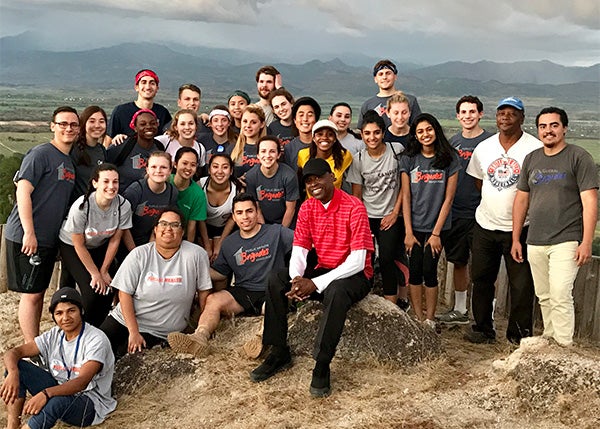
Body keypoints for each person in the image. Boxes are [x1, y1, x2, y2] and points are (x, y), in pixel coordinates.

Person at [250, 158, 374, 398]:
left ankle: (322, 363)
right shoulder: (307, 207)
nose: (313, 183)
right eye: (308, 180)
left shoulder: (354, 206)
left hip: (355, 274)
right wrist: (297, 280)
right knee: (277, 277)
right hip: (324, 267)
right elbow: (300, 248)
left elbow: (358, 261)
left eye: (318, 177)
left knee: (337, 291)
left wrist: (315, 284)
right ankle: (278, 351)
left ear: (332, 177)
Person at [511, 107, 598, 346]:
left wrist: (586, 241)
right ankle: (549, 341)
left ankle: (563, 346)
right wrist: (516, 238)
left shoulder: (578, 157)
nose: (548, 131)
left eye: (553, 125)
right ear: (538, 130)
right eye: (543, 126)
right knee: (544, 296)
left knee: (560, 294)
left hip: (567, 238)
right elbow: (521, 199)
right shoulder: (532, 159)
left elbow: (590, 201)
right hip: (535, 239)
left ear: (564, 128)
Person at [167, 193, 294, 357]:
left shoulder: (276, 232)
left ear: (257, 212)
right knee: (214, 299)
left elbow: (303, 245)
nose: (245, 217)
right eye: (239, 213)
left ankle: (261, 340)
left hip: (272, 289)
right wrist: (192, 272)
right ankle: (199, 337)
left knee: (273, 305)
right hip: (244, 291)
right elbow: (220, 273)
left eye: (249, 211)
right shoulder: (229, 243)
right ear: (234, 216)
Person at [464, 97, 542, 344]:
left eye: (512, 113)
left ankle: (518, 335)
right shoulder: (484, 148)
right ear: (495, 118)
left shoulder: (535, 148)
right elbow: (479, 180)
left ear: (522, 118)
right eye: (501, 113)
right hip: (485, 224)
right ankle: (483, 328)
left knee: (521, 285)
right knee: (482, 279)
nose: (506, 117)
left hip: (521, 227)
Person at [4, 106, 77, 343]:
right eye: (63, 123)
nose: (68, 128)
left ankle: (33, 341)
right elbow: (23, 191)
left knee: (39, 292)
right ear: (53, 126)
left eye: (73, 125)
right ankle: (30, 345)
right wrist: (29, 232)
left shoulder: (68, 160)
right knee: (31, 294)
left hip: (47, 238)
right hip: (27, 235)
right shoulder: (41, 154)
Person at [99, 208, 212, 359]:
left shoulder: (196, 255)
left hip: (159, 330)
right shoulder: (139, 254)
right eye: (163, 224)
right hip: (124, 320)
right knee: (95, 348)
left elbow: (204, 292)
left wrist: (200, 327)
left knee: (123, 358)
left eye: (174, 225)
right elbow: (124, 293)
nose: (168, 229)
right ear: (155, 229)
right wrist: (133, 331)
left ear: (183, 231)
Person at [1, 288, 116, 429]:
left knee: (56, 402)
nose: (65, 318)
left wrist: (46, 394)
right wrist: (13, 373)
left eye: (71, 311)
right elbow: (13, 352)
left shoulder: (96, 339)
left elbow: (82, 382)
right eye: (59, 313)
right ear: (54, 317)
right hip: (58, 387)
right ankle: (12, 425)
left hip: (89, 402)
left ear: (81, 311)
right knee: (17, 367)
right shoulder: (54, 334)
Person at [437, 96, 494, 325]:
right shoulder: (452, 144)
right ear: (458, 116)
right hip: (458, 210)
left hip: (484, 211)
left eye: (472, 111)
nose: (468, 116)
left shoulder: (491, 142)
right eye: (464, 112)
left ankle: (487, 314)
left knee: (485, 265)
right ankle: (460, 309)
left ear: (480, 114)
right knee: (458, 261)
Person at [400, 113, 460, 329]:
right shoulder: (408, 159)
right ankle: (418, 318)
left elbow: (449, 198)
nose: (425, 134)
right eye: (420, 131)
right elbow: (406, 196)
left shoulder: (450, 158)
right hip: (414, 226)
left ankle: (430, 318)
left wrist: (436, 234)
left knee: (429, 270)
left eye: (429, 129)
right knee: (414, 271)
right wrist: (407, 231)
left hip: (437, 226)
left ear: (436, 130)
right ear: (415, 135)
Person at [59, 164, 132, 327]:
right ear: (95, 183)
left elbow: (115, 239)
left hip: (100, 245)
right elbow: (79, 244)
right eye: (105, 181)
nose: (111, 187)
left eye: (115, 182)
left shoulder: (123, 206)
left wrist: (104, 270)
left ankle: (98, 328)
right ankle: (78, 327)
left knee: (107, 289)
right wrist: (95, 274)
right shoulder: (82, 207)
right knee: (91, 291)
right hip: (71, 245)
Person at [347, 111, 407, 305]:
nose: (372, 137)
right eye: (367, 133)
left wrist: (395, 213)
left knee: (389, 258)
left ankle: (391, 304)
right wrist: (360, 221)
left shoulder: (396, 150)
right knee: (364, 259)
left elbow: (403, 186)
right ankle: (365, 300)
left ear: (383, 133)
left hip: (391, 214)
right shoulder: (359, 159)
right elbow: (357, 194)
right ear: (361, 134)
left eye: (376, 132)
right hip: (367, 215)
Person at [122, 151, 178, 250]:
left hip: (154, 242)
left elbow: (161, 223)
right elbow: (123, 227)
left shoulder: (172, 192)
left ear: (170, 171)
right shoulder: (135, 191)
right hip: (129, 242)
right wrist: (134, 252)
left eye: (163, 167)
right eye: (154, 167)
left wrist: (151, 250)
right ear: (147, 169)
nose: (158, 170)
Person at [245, 135, 299, 227]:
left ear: (278, 155)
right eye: (263, 151)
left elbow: (290, 209)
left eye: (272, 151)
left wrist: (280, 232)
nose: (267, 155)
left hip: (287, 224)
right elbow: (256, 208)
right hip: (263, 223)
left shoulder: (289, 175)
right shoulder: (251, 176)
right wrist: (265, 232)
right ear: (258, 155)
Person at [106, 109, 165, 192]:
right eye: (142, 124)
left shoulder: (159, 147)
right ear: (135, 127)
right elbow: (104, 169)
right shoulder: (122, 145)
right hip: (123, 199)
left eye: (153, 123)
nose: (148, 126)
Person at [107, 69, 171, 142]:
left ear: (157, 88)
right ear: (136, 87)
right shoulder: (120, 111)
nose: (148, 87)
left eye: (152, 83)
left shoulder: (163, 112)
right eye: (143, 82)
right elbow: (108, 141)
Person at [198, 154, 241, 262]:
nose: (220, 171)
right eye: (215, 166)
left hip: (223, 228)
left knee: (218, 258)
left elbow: (233, 218)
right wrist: (207, 246)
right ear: (209, 170)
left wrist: (220, 244)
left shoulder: (238, 190)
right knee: (205, 256)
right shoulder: (200, 185)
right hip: (202, 227)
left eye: (225, 167)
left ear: (231, 171)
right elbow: (199, 218)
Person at [357, 59, 421, 129]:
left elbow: (418, 127)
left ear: (395, 76)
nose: (384, 77)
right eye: (380, 74)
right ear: (375, 79)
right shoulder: (367, 105)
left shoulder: (410, 101)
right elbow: (362, 132)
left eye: (388, 73)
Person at [169, 147, 210, 249]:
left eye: (193, 165)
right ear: (175, 164)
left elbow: (192, 227)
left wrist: (187, 250)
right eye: (184, 163)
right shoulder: (165, 181)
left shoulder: (198, 194)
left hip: (181, 237)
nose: (188, 168)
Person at [297, 120, 353, 191]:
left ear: (335, 139)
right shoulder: (303, 154)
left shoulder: (344, 156)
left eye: (330, 134)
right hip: (311, 201)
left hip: (335, 201)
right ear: (313, 138)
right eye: (320, 134)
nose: (324, 137)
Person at [69, 105, 108, 203]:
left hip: (96, 208)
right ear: (83, 123)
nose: (97, 125)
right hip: (76, 209)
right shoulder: (73, 149)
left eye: (101, 121)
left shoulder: (102, 150)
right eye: (92, 121)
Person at [283, 97, 321, 171]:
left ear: (316, 120)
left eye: (310, 115)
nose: (305, 119)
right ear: (294, 120)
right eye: (301, 115)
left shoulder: (323, 145)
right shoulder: (289, 149)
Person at [230, 104, 267, 180]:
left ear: (262, 124)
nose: (248, 125)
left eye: (253, 122)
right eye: (245, 121)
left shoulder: (269, 149)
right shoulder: (232, 149)